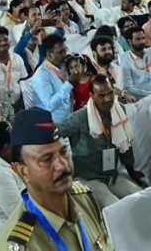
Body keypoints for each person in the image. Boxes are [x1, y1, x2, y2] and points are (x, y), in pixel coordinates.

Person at [0, 107, 111, 251]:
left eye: (63, 152)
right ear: (23, 172)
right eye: (47, 159)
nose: (62, 165)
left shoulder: (84, 198)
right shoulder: (18, 245)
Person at [57, 75, 144, 208]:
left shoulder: (120, 110)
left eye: (110, 93)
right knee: (114, 206)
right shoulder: (80, 118)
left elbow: (125, 145)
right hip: (88, 178)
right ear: (92, 95)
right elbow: (56, 132)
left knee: (140, 197)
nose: (108, 99)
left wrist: (132, 172)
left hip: (111, 176)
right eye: (102, 95)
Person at [30, 34, 77, 123]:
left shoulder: (62, 67)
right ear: (49, 54)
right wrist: (69, 84)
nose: (65, 55)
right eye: (60, 52)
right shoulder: (41, 75)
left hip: (69, 118)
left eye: (65, 50)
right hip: (52, 125)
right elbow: (49, 106)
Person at [117, 25, 151, 98]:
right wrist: (149, 94)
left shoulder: (150, 54)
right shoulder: (125, 59)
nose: (142, 41)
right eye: (138, 39)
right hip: (140, 97)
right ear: (129, 41)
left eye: (143, 38)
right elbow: (128, 87)